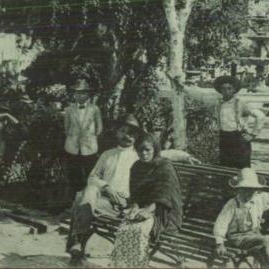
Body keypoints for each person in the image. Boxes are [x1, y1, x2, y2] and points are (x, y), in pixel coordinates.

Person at [66, 122, 140, 264]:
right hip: (102, 198)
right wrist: (106, 187)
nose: (127, 136)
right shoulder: (107, 154)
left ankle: (78, 241)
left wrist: (185, 156)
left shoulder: (138, 158)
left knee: (80, 198)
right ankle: (78, 242)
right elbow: (93, 177)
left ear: (136, 137)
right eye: (123, 131)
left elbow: (166, 154)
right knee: (89, 191)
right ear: (117, 133)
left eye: (132, 133)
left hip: (122, 203)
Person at [111, 133, 182, 268]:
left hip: (164, 211)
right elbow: (136, 195)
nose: (143, 153)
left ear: (155, 148)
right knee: (124, 228)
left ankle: (138, 265)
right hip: (143, 209)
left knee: (139, 230)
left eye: (147, 150)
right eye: (140, 150)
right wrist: (135, 207)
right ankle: (124, 266)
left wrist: (147, 211)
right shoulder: (137, 167)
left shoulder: (165, 167)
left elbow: (166, 196)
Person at [213, 168, 269, 269]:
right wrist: (220, 243)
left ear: (255, 190)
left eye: (251, 190)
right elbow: (221, 223)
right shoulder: (232, 204)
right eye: (244, 190)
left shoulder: (258, 200)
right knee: (265, 241)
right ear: (238, 189)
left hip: (253, 236)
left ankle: (266, 266)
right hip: (237, 238)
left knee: (262, 249)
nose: (247, 193)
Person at [214, 75, 265, 169]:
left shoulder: (241, 103)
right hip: (224, 138)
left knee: (242, 167)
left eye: (229, 88)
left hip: (239, 138)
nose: (226, 91)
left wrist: (253, 134)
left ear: (234, 90)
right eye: (223, 89)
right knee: (225, 166)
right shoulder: (219, 103)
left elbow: (260, 116)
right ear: (220, 90)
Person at [63, 79, 103, 199]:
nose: (80, 95)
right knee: (74, 173)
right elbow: (66, 126)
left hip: (89, 146)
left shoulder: (94, 109)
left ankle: (89, 197)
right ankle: (74, 198)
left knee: (89, 172)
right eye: (77, 93)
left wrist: (92, 136)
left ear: (88, 94)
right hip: (73, 146)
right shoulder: (69, 109)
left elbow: (99, 126)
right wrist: (72, 136)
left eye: (83, 93)